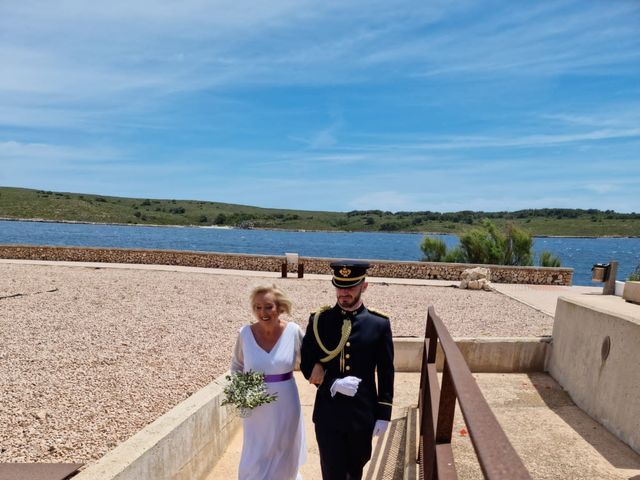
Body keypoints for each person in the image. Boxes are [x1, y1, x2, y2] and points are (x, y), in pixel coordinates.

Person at [300, 260, 394, 480]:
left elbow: (386, 371)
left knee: (355, 472)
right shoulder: (319, 321)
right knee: (333, 473)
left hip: (362, 414)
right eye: (340, 286)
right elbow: (306, 363)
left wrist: (384, 414)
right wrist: (331, 381)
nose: (344, 293)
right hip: (328, 414)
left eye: (350, 287)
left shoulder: (378, 324)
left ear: (364, 286)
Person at [231, 284, 307, 480]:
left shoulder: (293, 331)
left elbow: (310, 362)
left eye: (268, 307)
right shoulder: (245, 334)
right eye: (257, 307)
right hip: (255, 404)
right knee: (255, 451)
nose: (262, 312)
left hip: (286, 402)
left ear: (280, 308)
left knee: (284, 447)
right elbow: (237, 366)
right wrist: (242, 395)